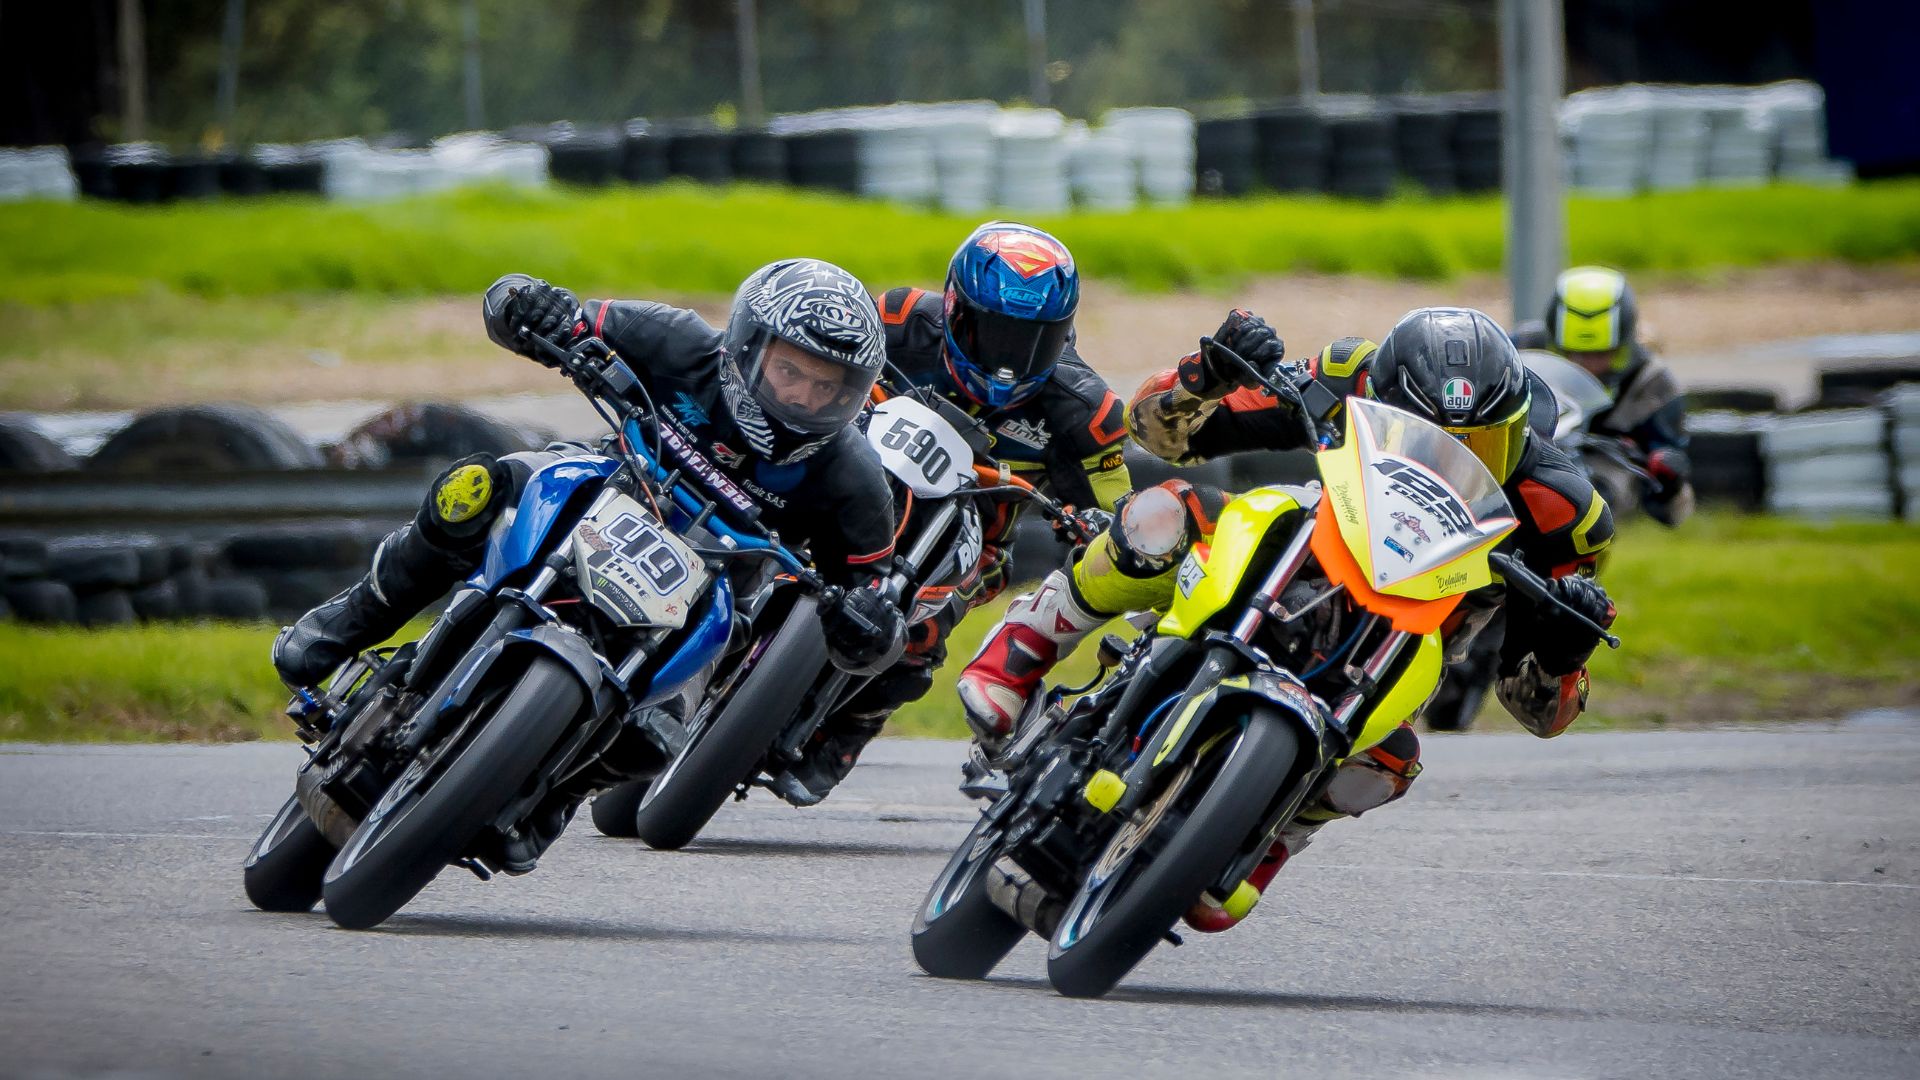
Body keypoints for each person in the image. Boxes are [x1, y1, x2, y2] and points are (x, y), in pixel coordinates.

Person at [963, 307, 1618, 934]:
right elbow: (1160, 432)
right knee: (1161, 516)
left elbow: (1540, 712)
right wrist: (1207, 376)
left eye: (1481, 445)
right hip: (1304, 550)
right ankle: (1026, 646)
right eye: (1426, 435)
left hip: (1407, 641)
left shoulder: (1564, 512)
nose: (1448, 463)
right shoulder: (1346, 375)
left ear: (1520, 429)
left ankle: (1266, 837)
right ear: (1380, 400)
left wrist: (1563, 651)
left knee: (1384, 765)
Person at [271, 258, 908, 865]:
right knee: (470, 491)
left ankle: (557, 792)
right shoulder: (680, 341)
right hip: (600, 485)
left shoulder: (853, 478)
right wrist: (535, 310)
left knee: (656, 735)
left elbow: (871, 599)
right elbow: (534, 309)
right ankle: (350, 619)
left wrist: (868, 621)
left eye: (830, 387)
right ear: (747, 346)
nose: (805, 396)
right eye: (791, 371)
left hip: (713, 590)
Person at [772, 221, 1132, 804]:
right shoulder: (894, 319)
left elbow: (1118, 510)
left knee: (924, 633)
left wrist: (1095, 525)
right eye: (991, 334)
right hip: (846, 472)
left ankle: (851, 730)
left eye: (1031, 340)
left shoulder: (1088, 413)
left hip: (974, 536)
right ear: (954, 307)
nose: (1009, 359)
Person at [1511, 266, 1693, 526]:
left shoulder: (1653, 384)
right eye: (1572, 354)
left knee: (1608, 484)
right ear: (1553, 341)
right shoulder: (1519, 349)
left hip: (1603, 477)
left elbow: (1675, 515)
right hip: (1522, 450)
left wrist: (1671, 481)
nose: (1585, 366)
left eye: (1600, 354)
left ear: (1624, 346)